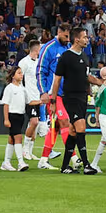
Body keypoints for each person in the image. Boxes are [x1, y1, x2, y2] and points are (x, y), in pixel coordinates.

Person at [48, 27, 104, 174]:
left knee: (73, 131)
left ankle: (65, 166)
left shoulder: (85, 57)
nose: (87, 39)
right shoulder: (66, 57)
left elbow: (86, 77)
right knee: (81, 127)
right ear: (76, 39)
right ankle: (86, 164)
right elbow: (57, 80)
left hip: (82, 97)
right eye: (85, 37)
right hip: (70, 97)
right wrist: (53, 101)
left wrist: (100, 82)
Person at [36, 25, 73, 166]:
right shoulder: (48, 48)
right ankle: (74, 158)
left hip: (67, 94)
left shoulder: (68, 47)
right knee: (65, 122)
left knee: (56, 127)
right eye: (66, 36)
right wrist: (43, 92)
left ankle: (43, 160)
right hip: (53, 94)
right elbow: (40, 71)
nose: (68, 39)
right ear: (59, 32)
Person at [18, 37, 53, 169]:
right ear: (37, 49)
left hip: (38, 97)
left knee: (35, 124)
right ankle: (25, 150)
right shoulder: (24, 62)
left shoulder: (39, 62)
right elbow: (18, 78)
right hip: (29, 97)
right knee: (34, 122)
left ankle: (30, 152)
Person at [0, 67, 30, 172]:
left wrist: (40, 101)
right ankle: (20, 162)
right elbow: (6, 104)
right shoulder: (9, 88)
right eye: (19, 73)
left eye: (22, 73)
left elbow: (28, 102)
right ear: (13, 76)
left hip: (21, 115)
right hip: (13, 115)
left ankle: (6, 162)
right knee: (18, 138)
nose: (21, 75)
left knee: (11, 139)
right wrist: (6, 119)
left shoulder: (22, 88)